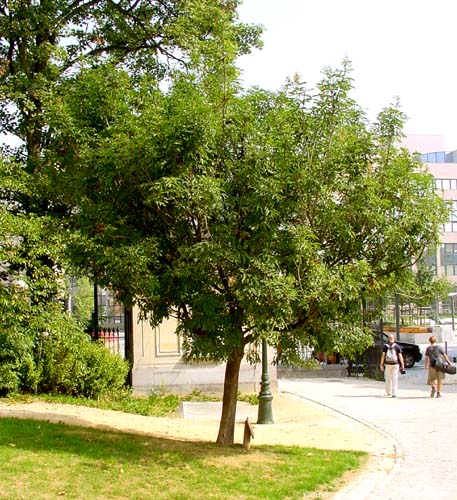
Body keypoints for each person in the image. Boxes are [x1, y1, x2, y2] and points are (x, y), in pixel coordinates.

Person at [380, 333, 405, 397]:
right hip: (395, 364)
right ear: (394, 338)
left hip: (388, 364)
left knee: (388, 378)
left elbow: (383, 356)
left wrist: (381, 364)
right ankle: (394, 393)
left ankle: (388, 392)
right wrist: (402, 364)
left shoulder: (385, 346)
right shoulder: (397, 346)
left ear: (388, 338)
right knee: (395, 378)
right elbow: (400, 356)